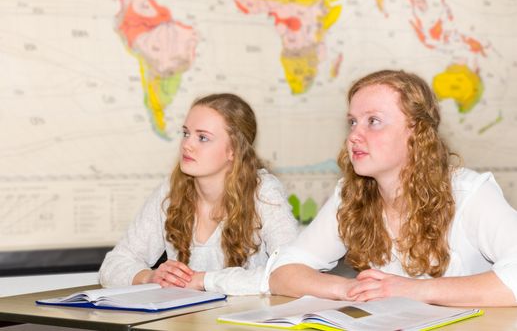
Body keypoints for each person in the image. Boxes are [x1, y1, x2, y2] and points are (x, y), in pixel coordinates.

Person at [268, 70, 517, 306]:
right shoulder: (351, 194)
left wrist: (411, 290)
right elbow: (283, 271)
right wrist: (350, 289)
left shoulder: (469, 193)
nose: (354, 135)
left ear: (416, 132)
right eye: (353, 122)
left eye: (373, 121)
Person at [99, 93, 298, 295]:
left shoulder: (264, 192)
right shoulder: (170, 190)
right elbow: (113, 265)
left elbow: (291, 272)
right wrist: (148, 276)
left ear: (234, 150)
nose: (187, 145)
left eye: (202, 138)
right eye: (186, 133)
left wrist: (204, 280)